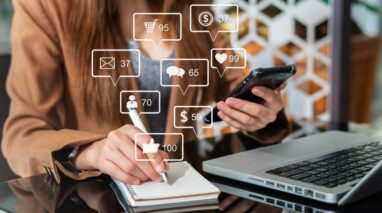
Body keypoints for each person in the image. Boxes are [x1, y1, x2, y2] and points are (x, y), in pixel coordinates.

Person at [2, 0, 290, 186]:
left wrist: (260, 112)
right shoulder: (44, 6)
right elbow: (22, 135)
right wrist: (90, 152)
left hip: (181, 191)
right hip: (96, 199)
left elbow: (232, 81)